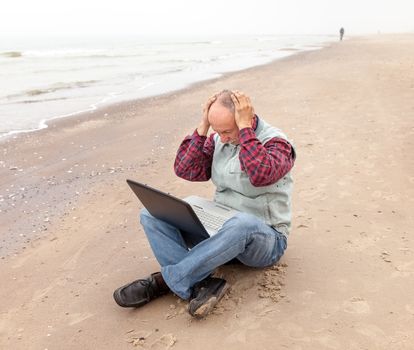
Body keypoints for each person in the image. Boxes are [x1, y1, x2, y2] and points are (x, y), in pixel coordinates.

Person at [113, 90, 296, 318]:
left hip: (264, 240)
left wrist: (246, 131)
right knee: (151, 214)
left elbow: (261, 175)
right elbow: (186, 169)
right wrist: (203, 127)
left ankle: (165, 282)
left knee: (241, 224)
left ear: (246, 118)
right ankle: (203, 283)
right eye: (217, 130)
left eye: (228, 131)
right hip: (219, 232)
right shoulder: (219, 137)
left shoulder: (278, 143)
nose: (223, 137)